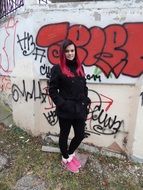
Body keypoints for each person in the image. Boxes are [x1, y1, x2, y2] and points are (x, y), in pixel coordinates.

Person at [49, 39, 91, 173]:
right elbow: (52, 91)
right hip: (65, 111)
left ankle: (70, 153)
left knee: (79, 135)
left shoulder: (80, 67)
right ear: (63, 53)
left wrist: (85, 101)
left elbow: (84, 86)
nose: (70, 53)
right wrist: (63, 104)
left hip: (79, 109)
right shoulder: (57, 69)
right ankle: (65, 158)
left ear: (75, 51)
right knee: (64, 134)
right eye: (67, 51)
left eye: (72, 50)